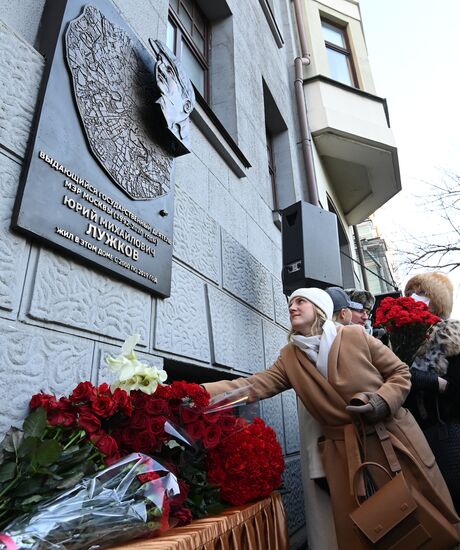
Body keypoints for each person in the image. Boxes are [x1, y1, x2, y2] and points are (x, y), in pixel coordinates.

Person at [203, 288, 459, 550]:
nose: (293, 307)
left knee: (422, 514)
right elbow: (253, 386)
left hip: (391, 437)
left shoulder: (354, 335)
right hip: (343, 452)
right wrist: (195, 394)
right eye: (291, 303)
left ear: (320, 308)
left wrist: (382, 401)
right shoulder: (290, 357)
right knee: (366, 529)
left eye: (301, 301)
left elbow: (400, 373)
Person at [404, 271, 460, 512]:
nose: (415, 298)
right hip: (415, 435)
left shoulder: (453, 337)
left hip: (449, 429)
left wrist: (436, 383)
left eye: (422, 293)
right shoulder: (402, 339)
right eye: (410, 293)